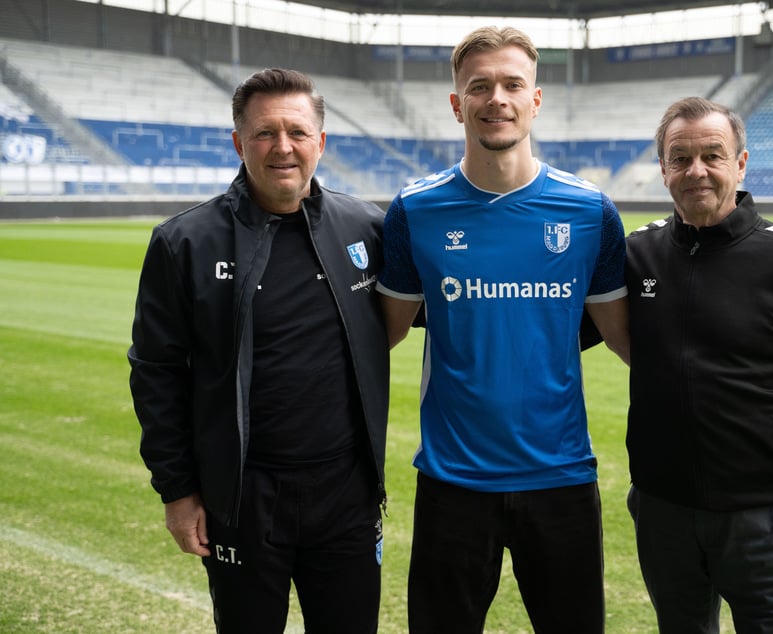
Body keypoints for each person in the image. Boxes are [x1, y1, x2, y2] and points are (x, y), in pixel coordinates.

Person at [376, 26, 630, 634]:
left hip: (562, 478)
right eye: (480, 86)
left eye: (513, 84)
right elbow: (379, 338)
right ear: (457, 103)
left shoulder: (590, 213)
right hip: (453, 482)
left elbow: (631, 342)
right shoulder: (415, 211)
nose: (498, 99)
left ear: (535, 99)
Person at [128, 68, 389, 633]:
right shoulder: (184, 242)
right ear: (238, 142)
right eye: (265, 133)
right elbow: (156, 372)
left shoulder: (368, 227)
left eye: (297, 131)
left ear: (321, 142)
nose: (283, 147)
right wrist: (178, 491)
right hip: (242, 500)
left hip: (347, 496)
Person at [623, 96, 773, 632]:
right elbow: (559, 330)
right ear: (663, 168)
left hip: (766, 521)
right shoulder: (636, 253)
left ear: (741, 163)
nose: (697, 171)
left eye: (713, 155)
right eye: (680, 158)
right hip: (663, 514)